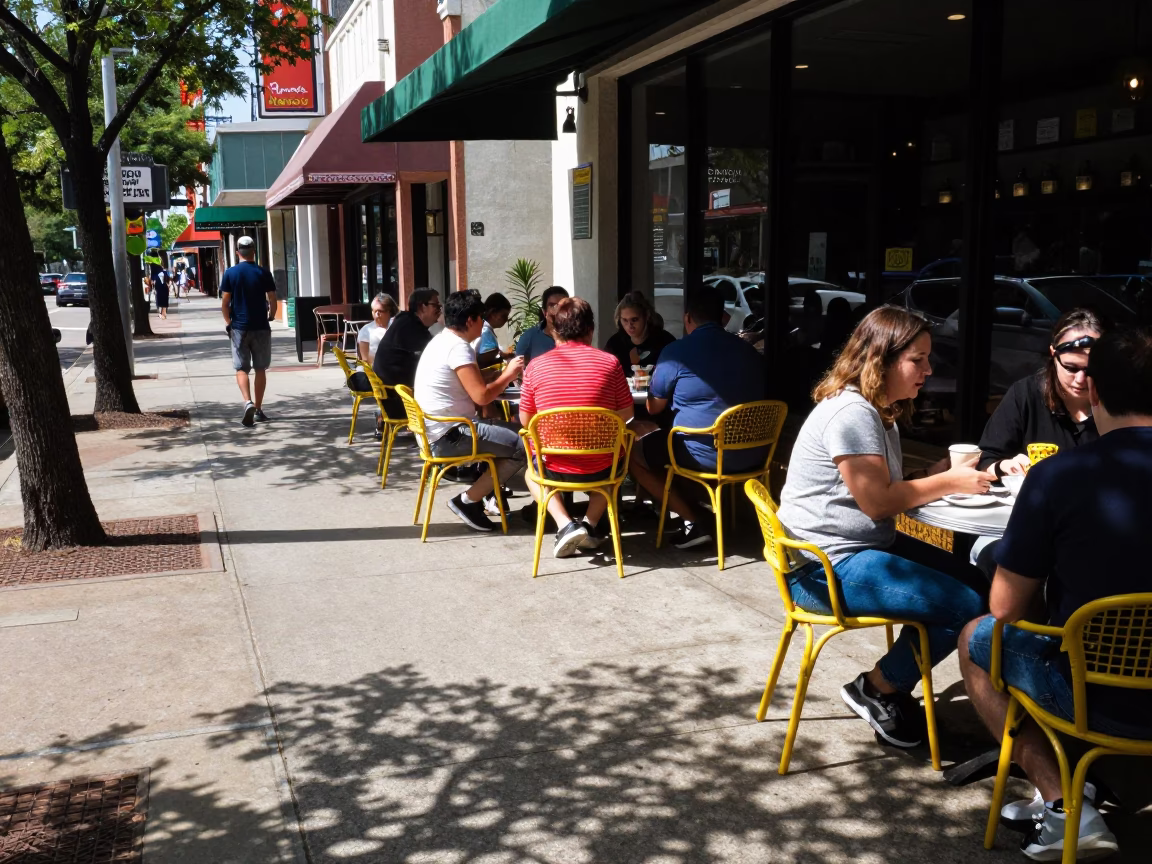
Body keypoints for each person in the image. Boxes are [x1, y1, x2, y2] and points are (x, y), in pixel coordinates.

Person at [959, 326, 1152, 862]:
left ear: (1093, 391)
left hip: (1096, 695)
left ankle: (1066, 804)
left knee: (978, 637)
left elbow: (1004, 609)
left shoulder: (1060, 477)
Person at [776, 305, 994, 749]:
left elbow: (883, 490)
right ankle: (878, 687)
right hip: (824, 569)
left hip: (856, 547)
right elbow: (877, 502)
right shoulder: (852, 414)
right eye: (919, 359)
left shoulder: (878, 409)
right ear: (881, 359)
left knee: (980, 580)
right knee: (966, 603)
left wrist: (931, 474)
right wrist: (949, 481)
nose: (929, 370)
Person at [628, 284, 767, 549]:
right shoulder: (750, 352)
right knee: (670, 443)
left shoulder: (677, 353)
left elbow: (654, 408)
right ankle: (699, 513)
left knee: (635, 453)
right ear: (723, 318)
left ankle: (695, 521)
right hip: (755, 452)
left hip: (705, 454)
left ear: (687, 318)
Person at [519, 297, 634, 557]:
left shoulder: (536, 366)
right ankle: (589, 524)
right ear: (590, 330)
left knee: (530, 472)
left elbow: (527, 420)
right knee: (617, 459)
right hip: (602, 467)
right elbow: (626, 413)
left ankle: (565, 524)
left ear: (554, 330)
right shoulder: (611, 363)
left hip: (553, 468)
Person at [414, 290, 526, 532]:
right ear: (470, 321)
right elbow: (481, 396)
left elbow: (466, 381)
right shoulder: (458, 348)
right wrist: (508, 374)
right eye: (481, 318)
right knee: (526, 443)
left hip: (437, 432)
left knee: (514, 433)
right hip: (451, 436)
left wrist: (496, 375)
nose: (483, 324)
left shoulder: (442, 340)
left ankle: (483, 497)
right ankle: (469, 500)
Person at [978, 308, 1103, 477]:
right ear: (1053, 355)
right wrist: (1004, 466)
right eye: (1070, 368)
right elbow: (986, 459)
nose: (1080, 379)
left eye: (1091, 371)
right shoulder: (1026, 394)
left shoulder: (1120, 405)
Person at [220, 236, 278, 427]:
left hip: (240, 328)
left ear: (238, 252)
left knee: (241, 368)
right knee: (260, 368)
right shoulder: (263, 273)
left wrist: (229, 322)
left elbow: (225, 303)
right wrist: (271, 315)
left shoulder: (230, 273)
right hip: (261, 326)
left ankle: (247, 402)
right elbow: (272, 299)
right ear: (254, 251)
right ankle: (259, 410)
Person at [373, 289, 442, 420]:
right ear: (422, 306)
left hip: (390, 396)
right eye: (436, 306)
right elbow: (440, 354)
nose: (439, 310)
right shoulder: (411, 326)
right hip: (398, 402)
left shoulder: (405, 320)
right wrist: (448, 325)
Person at [602, 291, 676, 378]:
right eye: (625, 320)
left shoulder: (665, 341)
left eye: (634, 320)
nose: (630, 326)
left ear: (647, 316)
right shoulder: (615, 344)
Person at [515, 285, 568, 366]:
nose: (557, 310)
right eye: (553, 305)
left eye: (562, 306)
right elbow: (519, 370)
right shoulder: (529, 337)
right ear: (544, 311)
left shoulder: (577, 336)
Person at [357, 293, 398, 364]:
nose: (377, 314)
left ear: (389, 311)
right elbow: (365, 360)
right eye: (374, 311)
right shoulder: (366, 331)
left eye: (380, 311)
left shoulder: (397, 326)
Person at [473, 292, 513, 357]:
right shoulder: (485, 331)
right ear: (493, 314)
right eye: (504, 316)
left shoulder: (485, 328)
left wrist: (506, 355)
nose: (506, 319)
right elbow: (485, 356)